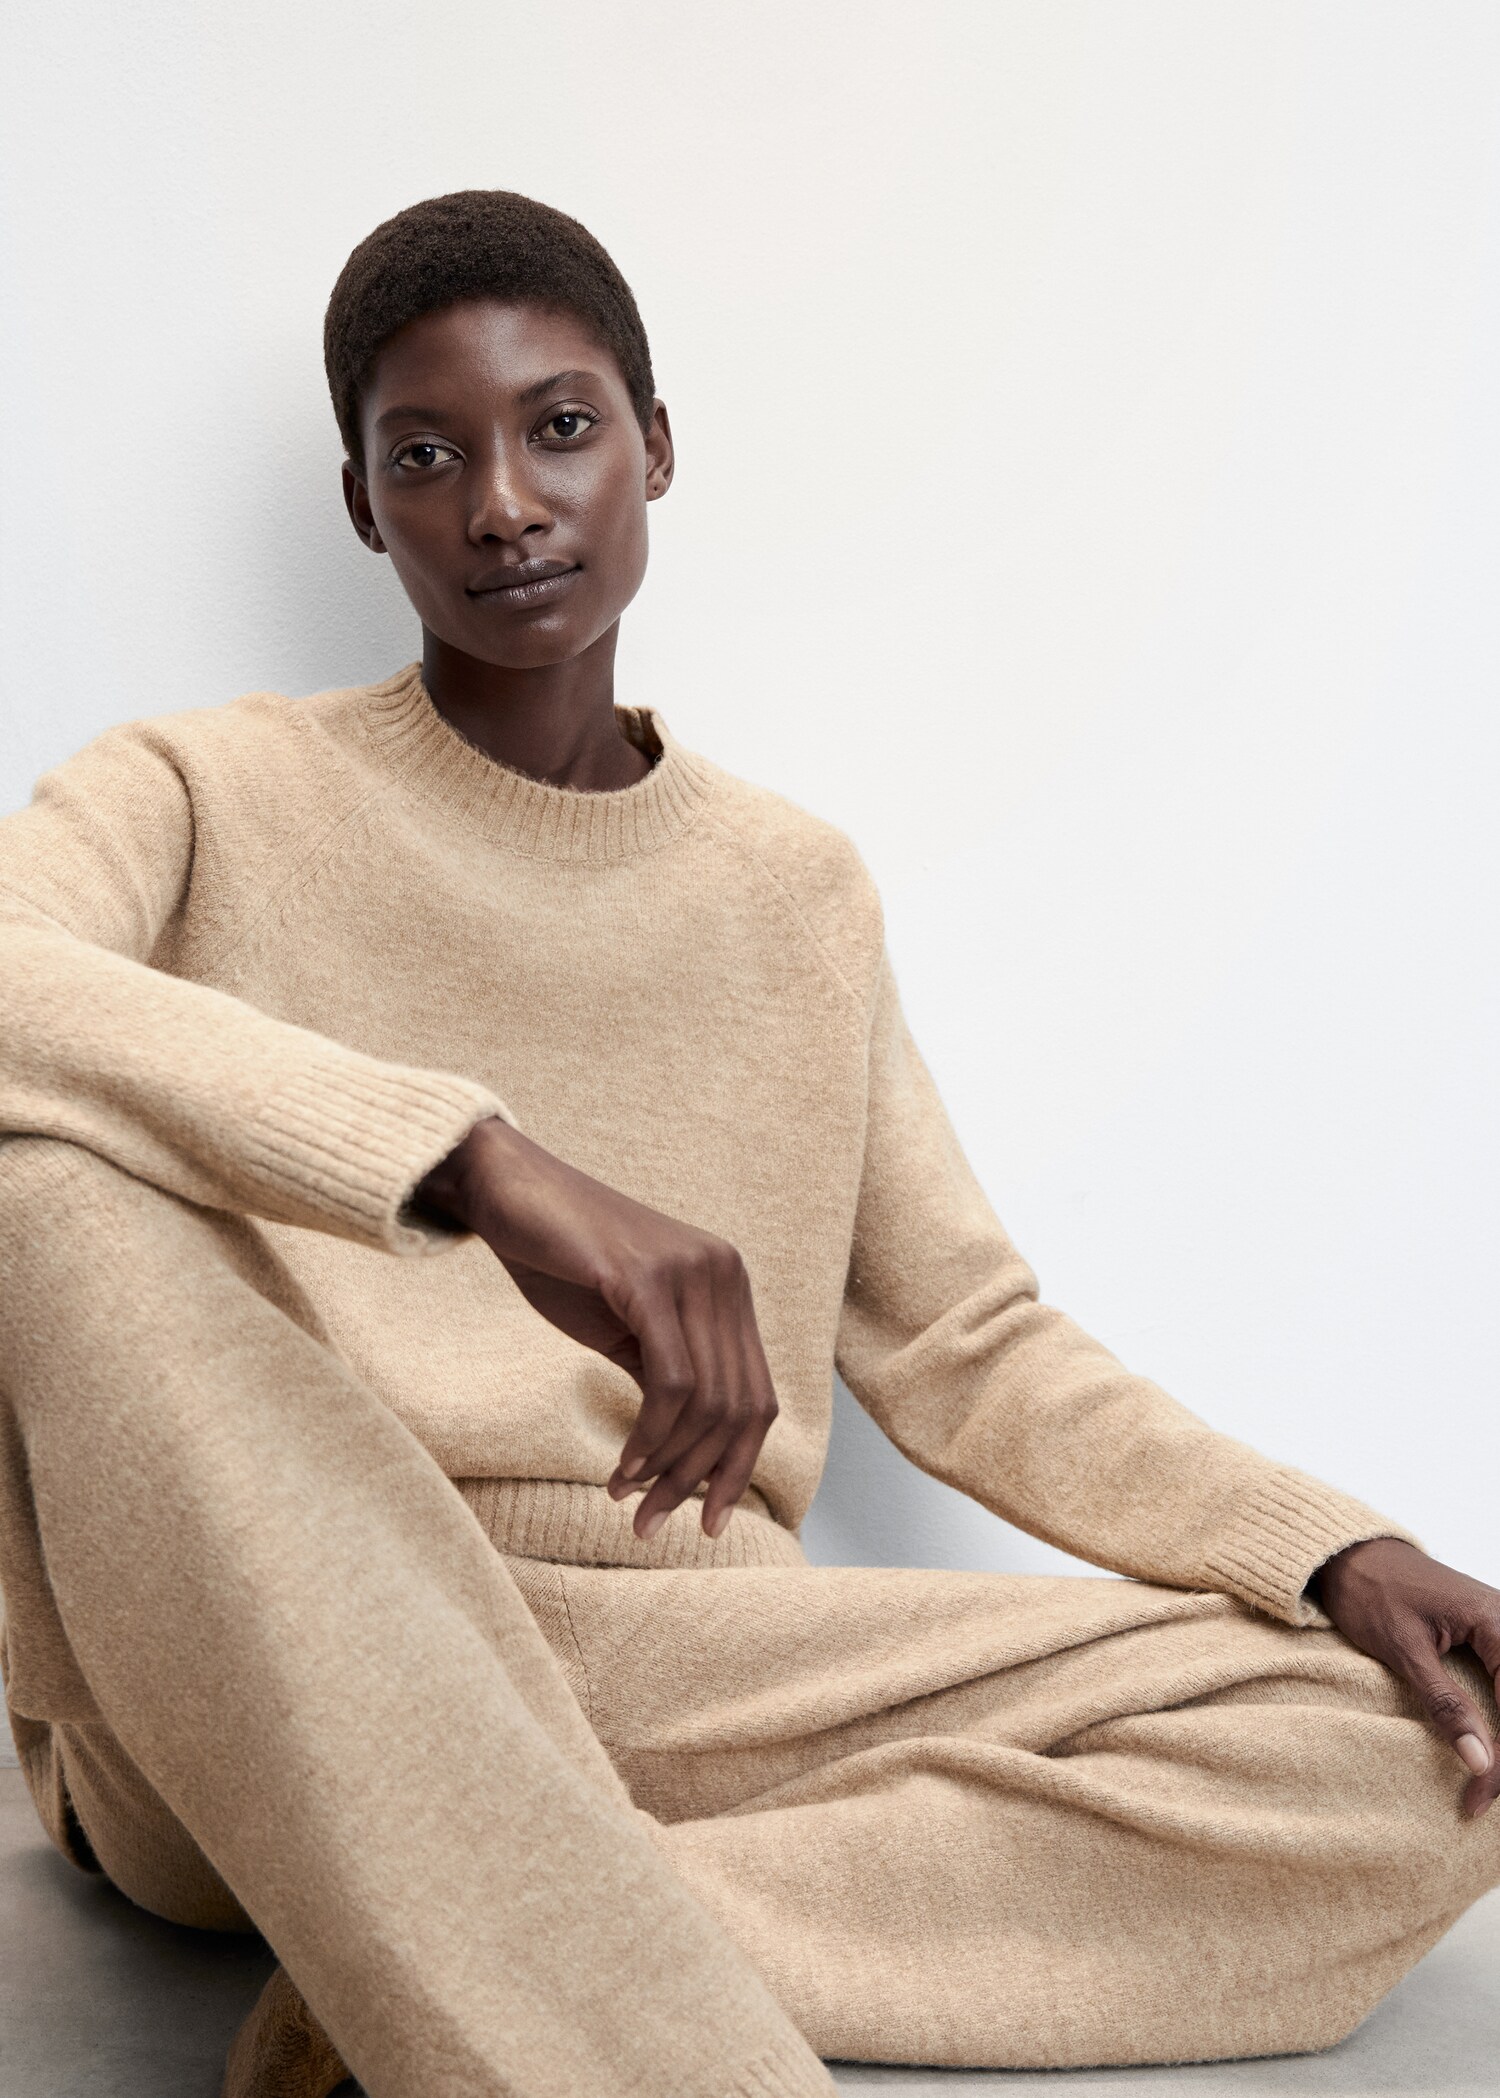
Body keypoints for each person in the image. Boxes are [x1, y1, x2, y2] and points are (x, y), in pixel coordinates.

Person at [0, 188, 1496, 2098]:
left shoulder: (793, 893)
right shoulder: (204, 790)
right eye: (426, 456)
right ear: (365, 507)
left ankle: (452, 1970)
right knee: (44, 1176)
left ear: (654, 445)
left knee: (1418, 1750)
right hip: (278, 1651)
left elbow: (969, 1342)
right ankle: (517, 1958)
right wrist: (481, 1167)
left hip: (682, 1665)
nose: (502, 505)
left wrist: (1330, 1546)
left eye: (559, 427)